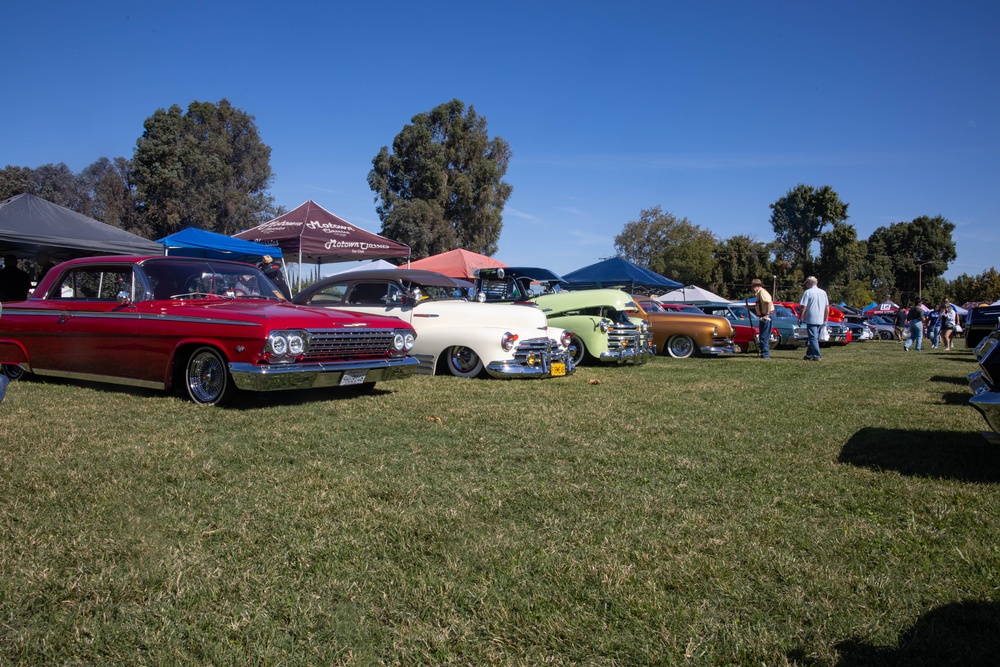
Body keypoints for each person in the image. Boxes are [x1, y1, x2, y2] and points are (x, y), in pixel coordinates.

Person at [798, 276, 830, 361]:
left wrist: (800, 317)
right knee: (813, 337)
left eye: (807, 283)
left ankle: (816, 355)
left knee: (813, 338)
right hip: (820, 318)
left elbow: (803, 307)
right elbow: (827, 307)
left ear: (809, 283)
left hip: (811, 318)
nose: (806, 285)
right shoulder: (823, 292)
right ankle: (809, 354)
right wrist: (826, 318)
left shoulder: (808, 292)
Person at [750, 278, 774, 359]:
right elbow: (760, 305)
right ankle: (764, 353)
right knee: (762, 336)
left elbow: (769, 302)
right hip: (763, 315)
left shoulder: (762, 292)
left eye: (752, 286)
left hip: (766, 316)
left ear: (757, 286)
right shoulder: (759, 294)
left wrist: (767, 315)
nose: (752, 289)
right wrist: (749, 307)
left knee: (764, 336)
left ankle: (765, 355)